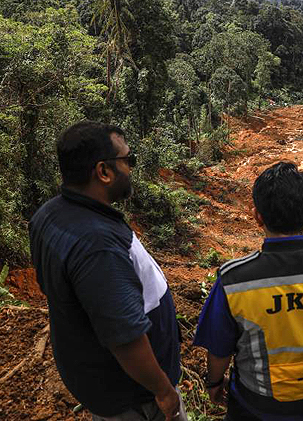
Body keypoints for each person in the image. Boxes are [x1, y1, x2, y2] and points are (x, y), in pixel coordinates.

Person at [29, 121, 187, 421]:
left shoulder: (49, 215)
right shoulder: (97, 246)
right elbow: (124, 337)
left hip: (104, 385)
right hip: (137, 399)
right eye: (128, 160)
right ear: (103, 172)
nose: (131, 167)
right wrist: (164, 391)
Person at [193, 161, 303, 421]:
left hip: (256, 405)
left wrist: (214, 383)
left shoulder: (234, 280)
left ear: (257, 216)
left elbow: (220, 348)